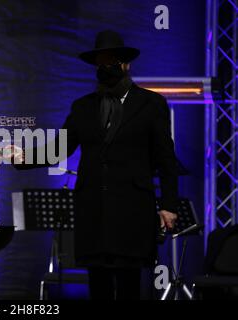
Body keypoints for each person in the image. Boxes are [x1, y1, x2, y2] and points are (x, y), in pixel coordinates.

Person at [15, 30, 178, 300]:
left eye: (111, 62)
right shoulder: (83, 107)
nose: (105, 68)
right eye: (100, 63)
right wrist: (21, 158)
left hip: (132, 211)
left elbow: (165, 157)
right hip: (93, 211)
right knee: (98, 285)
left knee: (129, 285)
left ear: (126, 64)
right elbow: (59, 149)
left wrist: (169, 205)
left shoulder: (151, 103)